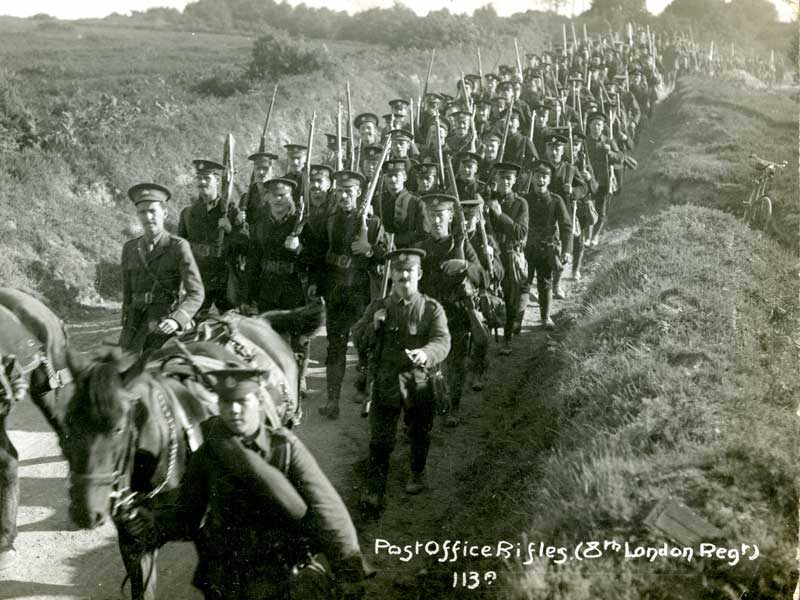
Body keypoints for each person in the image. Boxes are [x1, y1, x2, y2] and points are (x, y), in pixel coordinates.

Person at [125, 368, 372, 600]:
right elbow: (188, 514)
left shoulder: (283, 448)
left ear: (258, 402)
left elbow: (328, 509)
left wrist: (348, 569)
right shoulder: (208, 454)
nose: (233, 410)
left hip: (280, 575)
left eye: (241, 402)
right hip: (226, 578)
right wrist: (149, 523)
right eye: (225, 403)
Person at [352, 249, 451, 514]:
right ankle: (375, 489)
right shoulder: (377, 307)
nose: (404, 275)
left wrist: (426, 353)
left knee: (419, 432)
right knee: (380, 440)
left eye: (409, 271)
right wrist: (373, 325)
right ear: (391, 275)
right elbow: (358, 339)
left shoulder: (431, 308)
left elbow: (442, 341)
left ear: (418, 274)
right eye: (398, 271)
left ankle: (417, 472)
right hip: (385, 380)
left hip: (417, 381)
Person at [318, 171, 387, 419]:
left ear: (359, 193)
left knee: (365, 344)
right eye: (339, 192)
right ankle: (332, 400)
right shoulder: (329, 220)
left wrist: (369, 251)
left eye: (349, 191)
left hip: (361, 293)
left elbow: (386, 255)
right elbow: (321, 255)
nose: (343, 196)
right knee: (335, 345)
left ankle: (365, 391)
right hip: (336, 292)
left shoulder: (374, 222)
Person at [415, 194, 483, 427]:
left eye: (440, 215)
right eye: (431, 215)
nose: (436, 221)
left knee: (456, 363)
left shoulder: (461, 245)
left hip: (456, 312)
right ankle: (430, 408)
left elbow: (482, 276)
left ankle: (452, 407)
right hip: (430, 314)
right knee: (427, 365)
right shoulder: (421, 248)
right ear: (425, 218)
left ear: (451, 216)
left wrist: (464, 265)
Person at [242, 177, 312, 395]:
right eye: (274, 195)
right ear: (267, 197)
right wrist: (246, 296)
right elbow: (253, 262)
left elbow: (314, 257)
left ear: (291, 197)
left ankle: (298, 381)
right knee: (268, 339)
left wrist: (299, 248)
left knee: (298, 342)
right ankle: (273, 384)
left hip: (294, 288)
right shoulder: (260, 226)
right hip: (267, 289)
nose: (279, 200)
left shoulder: (301, 224)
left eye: (283, 195)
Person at [119, 183, 204, 355]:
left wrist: (177, 320)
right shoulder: (130, 248)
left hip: (163, 325)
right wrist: (126, 320)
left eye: (153, 211)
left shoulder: (178, 246)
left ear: (164, 213)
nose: (148, 217)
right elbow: (127, 293)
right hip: (134, 326)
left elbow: (196, 293)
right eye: (142, 212)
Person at [178, 159, 235, 318]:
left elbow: (246, 244)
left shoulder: (230, 211)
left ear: (217, 180)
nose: (202, 182)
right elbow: (180, 250)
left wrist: (230, 229)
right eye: (199, 178)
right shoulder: (188, 213)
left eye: (207, 178)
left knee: (231, 323)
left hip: (224, 279)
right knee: (192, 324)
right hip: (198, 278)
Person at [522, 160, 572, 330]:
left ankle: (545, 318)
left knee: (545, 282)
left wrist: (566, 250)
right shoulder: (524, 200)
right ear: (532, 178)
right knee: (524, 282)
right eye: (537, 177)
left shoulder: (556, 201)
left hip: (546, 249)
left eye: (544, 177)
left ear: (549, 180)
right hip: (527, 249)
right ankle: (517, 320)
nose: (540, 181)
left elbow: (566, 227)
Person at [485, 163, 529, 354]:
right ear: (496, 180)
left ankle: (507, 338)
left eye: (509, 179)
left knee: (511, 295)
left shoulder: (520, 203)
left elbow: (520, 232)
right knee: (487, 293)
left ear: (514, 181)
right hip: (490, 253)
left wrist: (500, 214)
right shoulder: (487, 201)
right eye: (502, 178)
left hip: (510, 253)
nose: (506, 182)